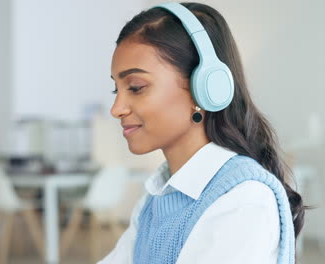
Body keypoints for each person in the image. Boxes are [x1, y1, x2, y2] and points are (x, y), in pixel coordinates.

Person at [101, 2, 306, 263]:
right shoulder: (153, 202)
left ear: (205, 87)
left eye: (136, 87)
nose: (116, 108)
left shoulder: (244, 199)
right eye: (115, 90)